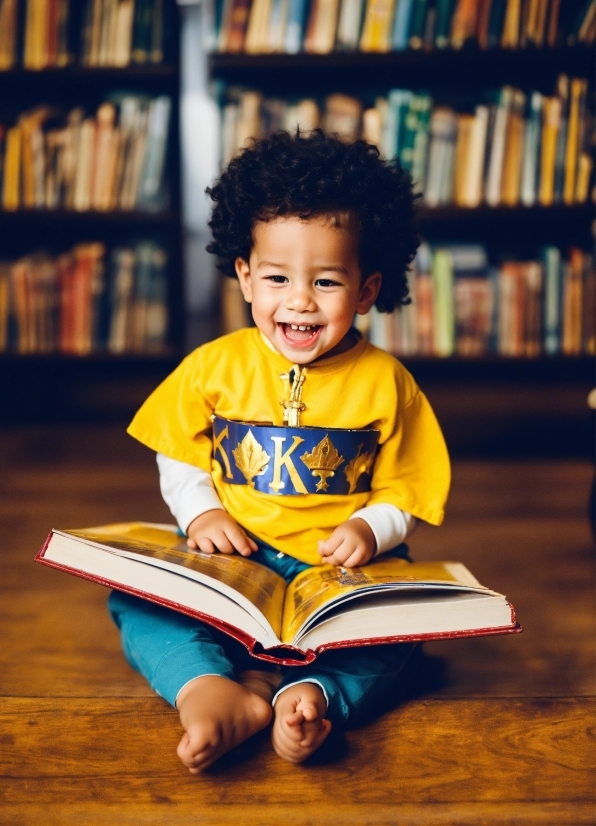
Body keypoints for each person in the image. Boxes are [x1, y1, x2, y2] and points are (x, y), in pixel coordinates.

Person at [109, 130, 451, 773]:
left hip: (340, 575)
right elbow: (177, 450)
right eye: (276, 277)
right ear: (244, 276)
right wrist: (200, 514)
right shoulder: (214, 366)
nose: (298, 300)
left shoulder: (388, 384)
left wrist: (369, 529)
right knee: (134, 598)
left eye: (325, 281)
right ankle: (204, 687)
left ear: (367, 290)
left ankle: (313, 697)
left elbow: (407, 486)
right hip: (233, 559)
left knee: (405, 634)